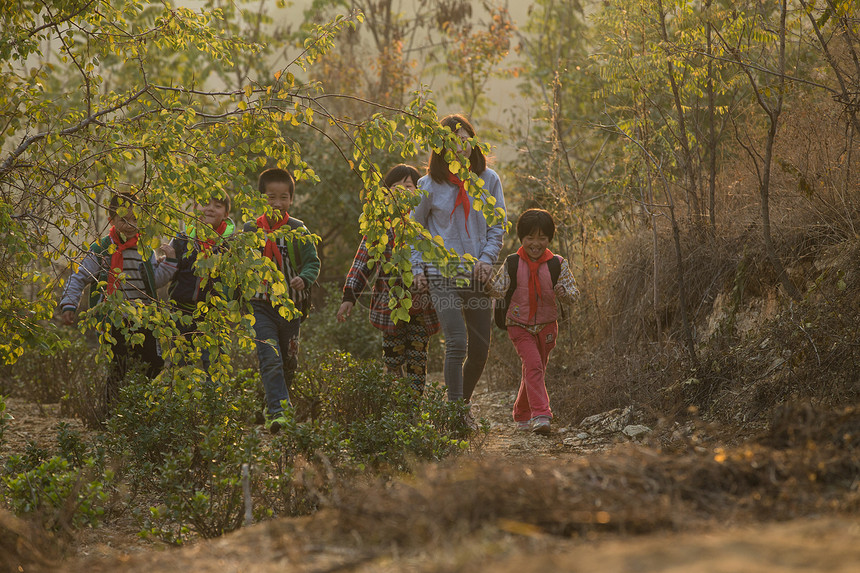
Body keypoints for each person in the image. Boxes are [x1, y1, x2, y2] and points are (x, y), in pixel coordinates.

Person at [411, 114, 507, 428]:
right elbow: (415, 230)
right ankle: (455, 416)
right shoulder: (428, 185)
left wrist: (487, 259)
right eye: (450, 142)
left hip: (477, 275)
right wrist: (418, 268)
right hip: (441, 275)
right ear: (439, 147)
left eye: (463, 140)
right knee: (457, 342)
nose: (458, 148)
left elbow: (497, 226)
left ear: (472, 142)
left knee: (480, 349)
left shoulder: (489, 179)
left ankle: (460, 407)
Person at [59, 192, 174, 415]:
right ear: (112, 220)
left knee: (155, 362)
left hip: (144, 318)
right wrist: (69, 304)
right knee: (118, 366)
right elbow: (80, 276)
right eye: (124, 219)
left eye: (135, 219)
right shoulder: (101, 250)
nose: (130, 225)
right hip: (113, 319)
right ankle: (111, 416)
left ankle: (138, 410)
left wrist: (170, 263)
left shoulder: (144, 249)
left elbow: (154, 281)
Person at [336, 164, 440, 394]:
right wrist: (349, 297)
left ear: (419, 191)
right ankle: (396, 406)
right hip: (389, 304)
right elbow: (362, 262)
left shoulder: (427, 225)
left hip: (421, 305)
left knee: (417, 359)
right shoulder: (379, 226)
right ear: (386, 193)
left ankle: (412, 407)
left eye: (408, 186)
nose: (402, 191)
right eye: (395, 187)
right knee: (392, 359)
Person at [485, 208, 579, 435]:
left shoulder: (558, 264)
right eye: (530, 237)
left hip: (547, 326)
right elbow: (498, 291)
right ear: (521, 238)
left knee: (535, 369)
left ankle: (521, 414)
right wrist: (486, 283)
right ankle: (541, 415)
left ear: (549, 239)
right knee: (534, 366)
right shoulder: (512, 263)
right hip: (518, 325)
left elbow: (574, 295)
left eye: (542, 238)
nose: (536, 243)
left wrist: (563, 292)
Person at [244, 167, 320, 433]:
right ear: (261, 198)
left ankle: (269, 403)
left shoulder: (299, 230)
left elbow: (312, 262)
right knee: (270, 355)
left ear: (291, 199)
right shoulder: (251, 229)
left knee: (288, 361)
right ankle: (280, 413)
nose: (277, 203)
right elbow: (240, 265)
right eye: (271, 197)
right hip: (260, 304)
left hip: (291, 306)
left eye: (283, 197)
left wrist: (305, 278)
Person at [160, 193, 235, 378]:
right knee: (180, 365)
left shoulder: (230, 245)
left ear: (226, 214)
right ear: (194, 208)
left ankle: (215, 403)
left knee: (216, 365)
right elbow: (170, 271)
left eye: (217, 206)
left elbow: (235, 281)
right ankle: (181, 405)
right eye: (205, 203)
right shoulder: (182, 239)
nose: (210, 208)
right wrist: (168, 260)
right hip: (181, 313)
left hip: (215, 316)